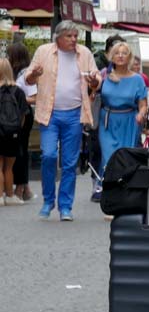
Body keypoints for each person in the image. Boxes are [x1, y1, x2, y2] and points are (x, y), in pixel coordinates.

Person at [24, 21, 98, 221]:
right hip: (49, 114)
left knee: (69, 163)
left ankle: (65, 206)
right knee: (48, 156)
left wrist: (94, 81)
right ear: (58, 37)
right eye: (69, 36)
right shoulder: (43, 51)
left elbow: (96, 78)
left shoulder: (84, 53)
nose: (74, 39)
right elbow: (28, 79)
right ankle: (48, 201)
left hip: (74, 114)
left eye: (75, 36)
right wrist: (34, 75)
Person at [97, 42, 147, 196]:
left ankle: (123, 194)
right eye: (117, 53)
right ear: (112, 56)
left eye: (124, 53)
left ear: (129, 57)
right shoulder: (104, 75)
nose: (120, 56)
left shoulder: (137, 79)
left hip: (129, 121)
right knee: (108, 158)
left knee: (126, 158)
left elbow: (143, 104)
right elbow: (92, 93)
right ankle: (109, 193)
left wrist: (141, 114)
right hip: (108, 121)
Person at [6, 43, 35, 203]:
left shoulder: (26, 73)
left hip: (23, 115)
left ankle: (20, 187)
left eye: (9, 54)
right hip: (12, 114)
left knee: (20, 150)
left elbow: (35, 97)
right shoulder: (11, 72)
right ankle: (25, 187)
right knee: (16, 150)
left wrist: (16, 98)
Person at [0, 59, 27, 204]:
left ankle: (0, 197)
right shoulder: (19, 91)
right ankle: (10, 196)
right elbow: (22, 116)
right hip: (13, 134)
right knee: (9, 167)